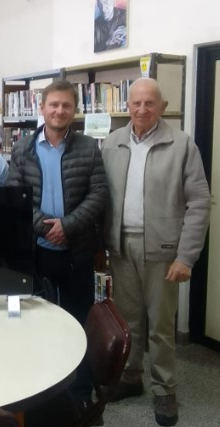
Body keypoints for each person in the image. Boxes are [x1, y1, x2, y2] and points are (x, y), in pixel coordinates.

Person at [102, 78, 210, 426]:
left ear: (162, 107)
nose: (142, 109)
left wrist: (186, 256)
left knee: (161, 326)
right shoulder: (113, 143)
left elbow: (199, 203)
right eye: (136, 103)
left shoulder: (181, 144)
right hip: (120, 247)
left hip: (164, 250)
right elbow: (101, 197)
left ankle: (165, 389)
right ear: (127, 106)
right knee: (128, 321)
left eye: (150, 103)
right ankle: (131, 378)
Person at [6, 80, 108, 424]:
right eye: (53, 105)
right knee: (39, 321)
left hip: (76, 249)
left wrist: (69, 225)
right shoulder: (22, 149)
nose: (59, 111)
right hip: (37, 250)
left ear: (74, 110)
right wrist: (43, 226)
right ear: (42, 108)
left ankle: (78, 393)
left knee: (78, 319)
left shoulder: (89, 148)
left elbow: (98, 194)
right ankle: (40, 387)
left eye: (66, 105)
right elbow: (14, 194)